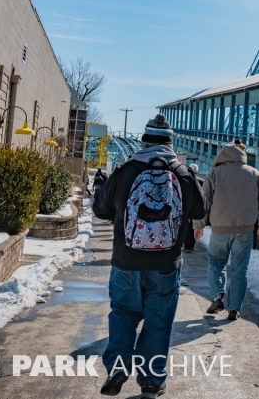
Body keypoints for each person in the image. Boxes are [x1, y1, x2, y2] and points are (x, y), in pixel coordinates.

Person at [93, 114, 202, 399]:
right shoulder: (183, 174)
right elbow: (200, 212)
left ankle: (118, 364)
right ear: (170, 143)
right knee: (158, 322)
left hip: (126, 263)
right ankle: (152, 381)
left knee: (124, 314)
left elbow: (101, 211)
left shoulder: (125, 170)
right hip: (166, 264)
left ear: (143, 141)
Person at [194, 143, 259, 322]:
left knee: (215, 262)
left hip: (220, 228)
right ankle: (234, 308)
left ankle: (217, 296)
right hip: (244, 230)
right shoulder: (255, 174)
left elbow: (203, 202)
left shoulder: (213, 174)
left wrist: (198, 225)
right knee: (239, 271)